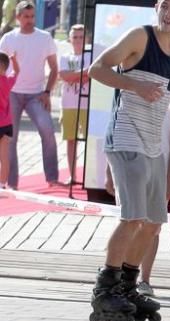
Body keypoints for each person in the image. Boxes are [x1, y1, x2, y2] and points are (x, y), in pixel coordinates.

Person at [86, 0, 170, 321]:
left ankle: (128, 286)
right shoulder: (139, 37)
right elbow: (97, 69)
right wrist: (135, 84)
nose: (168, 13)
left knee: (155, 221)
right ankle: (105, 289)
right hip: (126, 136)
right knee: (133, 217)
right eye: (163, 5)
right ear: (156, 8)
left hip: (152, 143)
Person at [0, 1, 58, 189]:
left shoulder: (45, 38)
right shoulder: (8, 38)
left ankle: (52, 178)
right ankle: (11, 183)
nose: (30, 20)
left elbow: (54, 68)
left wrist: (48, 92)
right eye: (26, 17)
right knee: (11, 139)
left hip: (37, 94)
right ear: (17, 18)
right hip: (12, 94)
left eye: (32, 16)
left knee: (48, 130)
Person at [58, 24, 91, 185]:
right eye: (75, 37)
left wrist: (74, 76)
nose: (78, 40)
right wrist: (84, 72)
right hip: (68, 103)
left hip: (87, 105)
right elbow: (64, 76)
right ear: (70, 39)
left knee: (89, 141)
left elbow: (92, 76)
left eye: (81, 37)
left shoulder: (91, 56)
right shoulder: (65, 57)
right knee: (71, 140)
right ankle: (73, 175)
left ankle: (89, 175)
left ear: (87, 38)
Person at [0, 51, 18, 188]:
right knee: (4, 157)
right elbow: (17, 71)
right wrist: (14, 60)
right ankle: (1, 184)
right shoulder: (8, 81)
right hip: (6, 124)